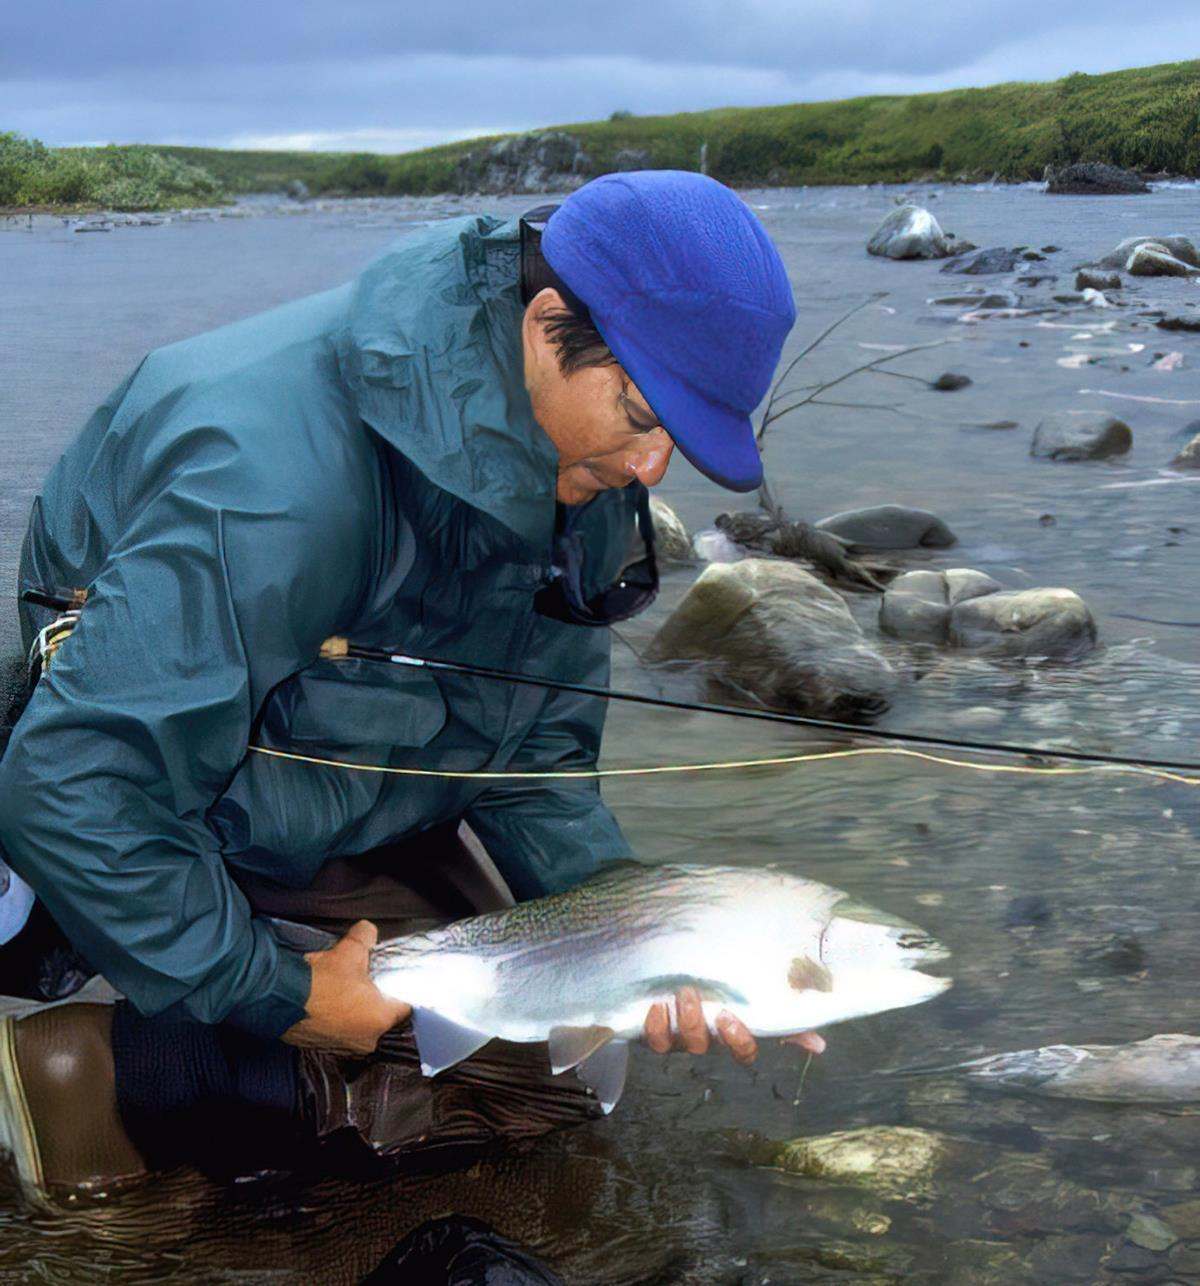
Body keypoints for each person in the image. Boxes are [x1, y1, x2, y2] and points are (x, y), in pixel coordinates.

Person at [0, 171, 816, 1191]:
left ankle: (226, 1045)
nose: (653, 469)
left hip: (368, 782)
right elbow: (70, 782)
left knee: (555, 1088)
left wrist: (635, 930)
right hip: (182, 798)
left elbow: (534, 758)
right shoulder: (273, 487)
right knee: (397, 1063)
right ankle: (86, 1067)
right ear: (548, 321)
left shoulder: (583, 465)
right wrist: (281, 991)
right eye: (646, 415)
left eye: (681, 441)